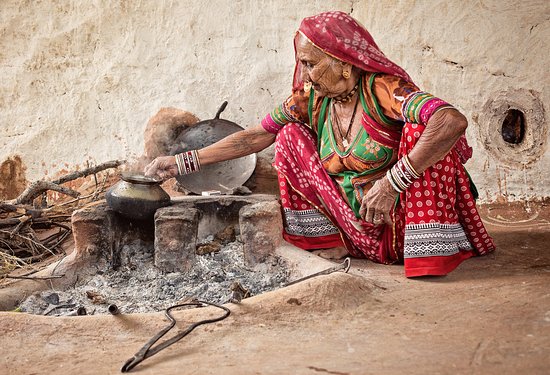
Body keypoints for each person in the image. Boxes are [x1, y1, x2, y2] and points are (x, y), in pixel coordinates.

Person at [144, 11, 495, 277]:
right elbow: (255, 136)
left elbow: (451, 120)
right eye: (303, 64)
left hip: (398, 225)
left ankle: (428, 252)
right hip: (353, 228)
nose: (306, 74)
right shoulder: (311, 99)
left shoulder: (384, 90)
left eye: (311, 64)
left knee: (426, 132)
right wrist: (180, 163)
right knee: (289, 136)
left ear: (343, 63)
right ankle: (327, 242)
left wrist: (392, 183)